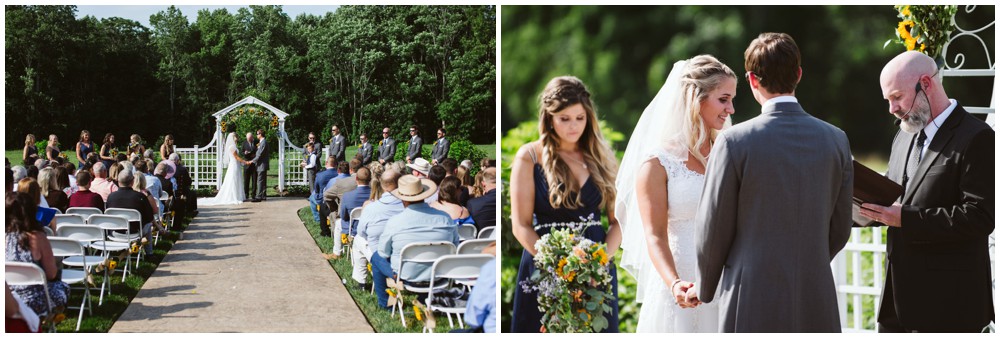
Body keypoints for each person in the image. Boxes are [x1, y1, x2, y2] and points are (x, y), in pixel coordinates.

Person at [693, 33, 852, 332]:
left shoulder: (734, 141)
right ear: (799, 75)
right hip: (814, 291)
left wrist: (706, 288)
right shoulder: (836, 139)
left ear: (752, 79)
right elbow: (841, 226)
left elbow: (713, 228)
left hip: (749, 293)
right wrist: (808, 259)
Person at [857, 51, 995, 333]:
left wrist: (905, 219)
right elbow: (898, 196)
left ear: (926, 84)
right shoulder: (903, 135)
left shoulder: (978, 137)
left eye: (896, 97)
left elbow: (981, 217)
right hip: (897, 305)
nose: (891, 109)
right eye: (888, 100)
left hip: (950, 305)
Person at [614, 55, 736, 332]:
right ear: (696, 97)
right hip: (680, 284)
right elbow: (654, 235)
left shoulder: (731, 153)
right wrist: (674, 283)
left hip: (726, 282)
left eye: (731, 99)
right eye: (723, 99)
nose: (731, 109)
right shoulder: (657, 163)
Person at [510, 76, 621, 332]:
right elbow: (521, 225)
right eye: (565, 119)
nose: (574, 126)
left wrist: (598, 262)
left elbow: (618, 222)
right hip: (544, 267)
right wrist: (557, 265)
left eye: (580, 118)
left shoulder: (601, 156)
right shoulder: (529, 156)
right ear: (549, 117)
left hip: (596, 269)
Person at [371, 175, 459, 309]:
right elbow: (455, 247)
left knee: (376, 257)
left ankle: (385, 304)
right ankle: (423, 298)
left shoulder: (395, 222)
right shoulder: (445, 218)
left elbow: (383, 252)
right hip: (439, 275)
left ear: (403, 199)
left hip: (406, 276)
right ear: (423, 194)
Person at [5, 193, 70, 317]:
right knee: (63, 287)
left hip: (7, 297)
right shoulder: (37, 237)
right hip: (34, 300)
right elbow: (51, 274)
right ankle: (50, 319)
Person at [353, 169, 404, 290]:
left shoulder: (371, 207)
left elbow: (361, 232)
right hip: (402, 251)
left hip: (378, 252)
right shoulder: (406, 205)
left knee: (358, 239)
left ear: (382, 185)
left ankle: (362, 282)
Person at [107, 169, 155, 252]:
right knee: (148, 224)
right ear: (132, 181)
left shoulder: (111, 197)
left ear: (118, 181)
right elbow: (149, 217)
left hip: (115, 232)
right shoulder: (140, 196)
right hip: (135, 232)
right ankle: (149, 253)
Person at [200, 132, 247, 206]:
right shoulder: (232, 147)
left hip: (236, 164)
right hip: (234, 165)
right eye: (236, 137)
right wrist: (244, 162)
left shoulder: (234, 146)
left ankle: (238, 195)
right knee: (233, 180)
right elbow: (236, 157)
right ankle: (233, 196)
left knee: (236, 179)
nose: (237, 138)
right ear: (233, 138)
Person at [339, 167, 372, 239]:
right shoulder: (376, 195)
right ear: (370, 179)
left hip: (353, 229)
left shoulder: (347, 196)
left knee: (338, 223)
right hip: (371, 229)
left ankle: (337, 249)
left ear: (356, 178)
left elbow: (343, 215)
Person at [313, 156, 340, 237]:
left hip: (324, 201)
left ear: (326, 163)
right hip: (338, 200)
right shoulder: (339, 174)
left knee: (312, 198)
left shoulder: (320, 175)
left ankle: (322, 227)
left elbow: (316, 190)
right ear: (336, 164)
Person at [247, 129, 269, 202]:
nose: (256, 135)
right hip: (261, 164)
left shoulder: (263, 143)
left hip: (261, 164)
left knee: (260, 181)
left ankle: (258, 197)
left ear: (260, 134)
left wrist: (252, 161)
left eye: (257, 134)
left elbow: (260, 154)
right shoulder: (261, 142)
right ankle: (263, 195)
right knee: (262, 181)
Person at [241, 132, 257, 201]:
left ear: (252, 137)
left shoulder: (256, 141)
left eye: (250, 139)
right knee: (246, 180)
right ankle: (246, 194)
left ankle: (253, 194)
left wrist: (255, 155)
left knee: (254, 180)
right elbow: (241, 152)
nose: (249, 140)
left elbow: (259, 150)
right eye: (248, 139)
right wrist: (245, 153)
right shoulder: (244, 143)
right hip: (247, 163)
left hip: (254, 164)